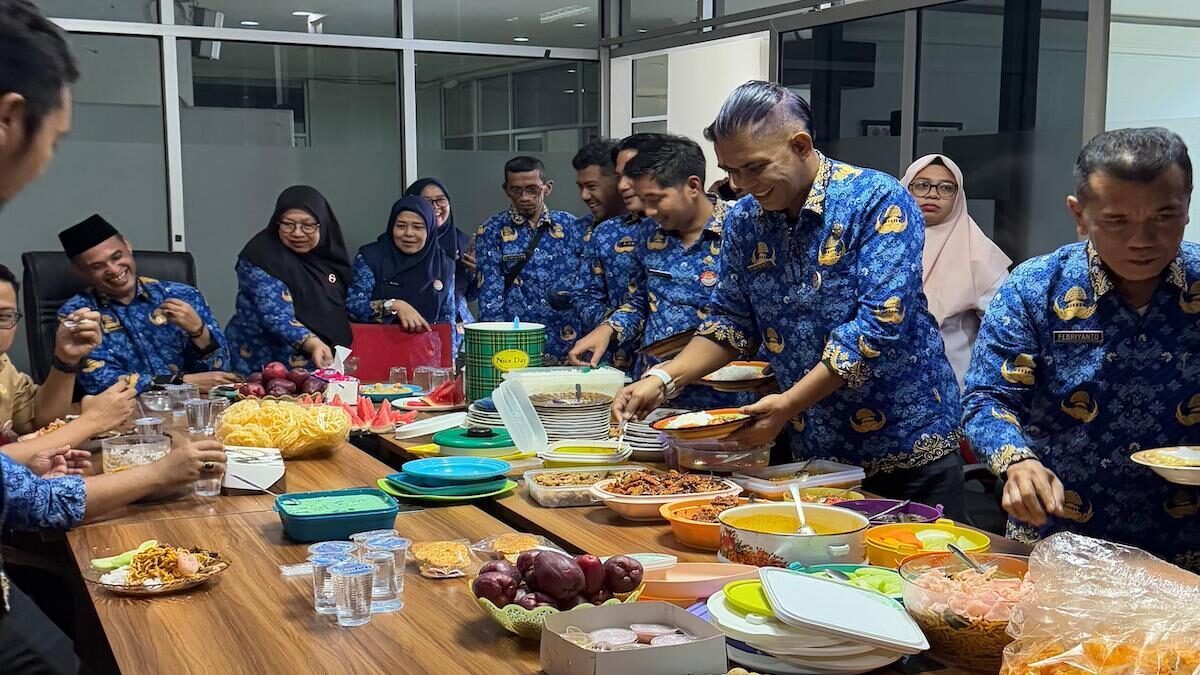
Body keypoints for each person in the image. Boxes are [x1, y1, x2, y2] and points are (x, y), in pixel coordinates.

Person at [612, 81, 965, 515]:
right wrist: (664, 379)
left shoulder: (876, 200)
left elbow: (880, 324)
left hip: (905, 441)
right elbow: (731, 323)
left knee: (916, 567)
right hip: (813, 448)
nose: (741, 184)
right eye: (731, 171)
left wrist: (788, 403)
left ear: (800, 145)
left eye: (754, 168)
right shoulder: (745, 219)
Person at [0, 2, 227, 669]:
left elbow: (226, 367)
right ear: (11, 118)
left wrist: (33, 446)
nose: (44, 161)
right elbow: (112, 401)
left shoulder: (179, 293)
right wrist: (151, 465)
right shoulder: (81, 312)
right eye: (57, 137)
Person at [964, 127, 1200, 570]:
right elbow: (988, 398)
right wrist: (1016, 461)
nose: (1142, 240)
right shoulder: (1035, 287)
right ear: (1079, 214)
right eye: (1117, 221)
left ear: (1187, 204)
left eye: (1164, 216)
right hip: (1061, 532)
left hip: (1187, 541)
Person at [570, 135, 748, 410]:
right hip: (656, 392)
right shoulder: (649, 233)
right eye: (643, 200)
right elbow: (641, 301)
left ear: (692, 186)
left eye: (655, 199)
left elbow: (748, 317)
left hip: (725, 397)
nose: (649, 211)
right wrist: (609, 328)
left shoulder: (741, 230)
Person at [58, 215, 236, 395]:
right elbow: (101, 382)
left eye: (117, 256)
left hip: (193, 411)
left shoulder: (182, 295)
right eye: (98, 266)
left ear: (128, 246)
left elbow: (220, 376)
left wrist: (199, 332)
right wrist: (182, 382)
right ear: (80, 271)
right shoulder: (78, 314)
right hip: (125, 415)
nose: (113, 269)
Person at [0, 264, 137, 458]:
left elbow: (38, 421)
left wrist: (66, 358)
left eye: (3, 316)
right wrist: (92, 422)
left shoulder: (3, 364)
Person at [901, 154, 1011, 389]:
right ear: (904, 188)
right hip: (883, 385)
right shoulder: (879, 242)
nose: (932, 194)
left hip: (952, 384)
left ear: (958, 196)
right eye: (921, 185)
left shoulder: (979, 252)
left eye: (946, 188)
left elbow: (1006, 326)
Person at [227, 185, 353, 374]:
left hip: (318, 362)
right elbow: (276, 314)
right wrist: (313, 343)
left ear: (324, 224)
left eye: (308, 225)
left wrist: (390, 306)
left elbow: (348, 303)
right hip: (263, 361)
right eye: (288, 224)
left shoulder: (329, 258)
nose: (297, 233)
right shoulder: (262, 256)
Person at [475, 156, 583, 364]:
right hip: (518, 346)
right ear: (506, 190)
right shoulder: (491, 230)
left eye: (532, 189)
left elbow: (586, 286)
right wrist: (497, 348)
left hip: (568, 342)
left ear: (547, 188)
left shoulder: (571, 226)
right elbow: (490, 297)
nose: (524, 197)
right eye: (516, 190)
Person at [570, 136, 659, 371]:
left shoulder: (682, 228)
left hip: (701, 372)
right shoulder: (606, 233)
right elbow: (584, 295)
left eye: (592, 186)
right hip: (621, 366)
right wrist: (615, 326)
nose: (624, 185)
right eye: (621, 177)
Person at [347, 196, 456, 347]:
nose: (408, 233)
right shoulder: (371, 257)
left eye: (418, 227)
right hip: (375, 350)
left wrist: (448, 360)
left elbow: (447, 321)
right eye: (401, 226)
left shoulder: (444, 266)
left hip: (425, 356)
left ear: (430, 230)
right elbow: (353, 307)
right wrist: (393, 306)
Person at [403, 177, 477, 337]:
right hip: (413, 328)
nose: (435, 207)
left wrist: (477, 273)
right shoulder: (402, 243)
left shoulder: (462, 242)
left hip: (459, 332)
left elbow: (470, 295)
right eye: (427, 201)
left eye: (441, 200)